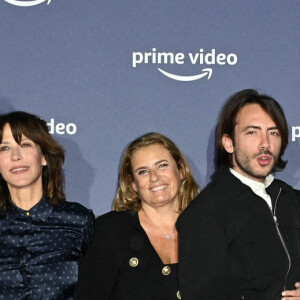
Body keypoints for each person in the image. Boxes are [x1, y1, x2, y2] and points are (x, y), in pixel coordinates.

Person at [177, 89, 300, 300]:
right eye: (252, 132)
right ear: (229, 143)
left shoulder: (293, 200)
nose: (265, 144)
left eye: (273, 132)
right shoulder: (204, 215)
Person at [74, 132, 200, 300]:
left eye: (162, 165)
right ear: (133, 183)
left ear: (181, 169)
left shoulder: (209, 227)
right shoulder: (112, 230)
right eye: (143, 172)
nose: (154, 177)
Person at [0, 111, 94, 299]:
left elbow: (101, 287)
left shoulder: (79, 220)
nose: (15, 156)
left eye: (25, 144)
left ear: (43, 157)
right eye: (4, 148)